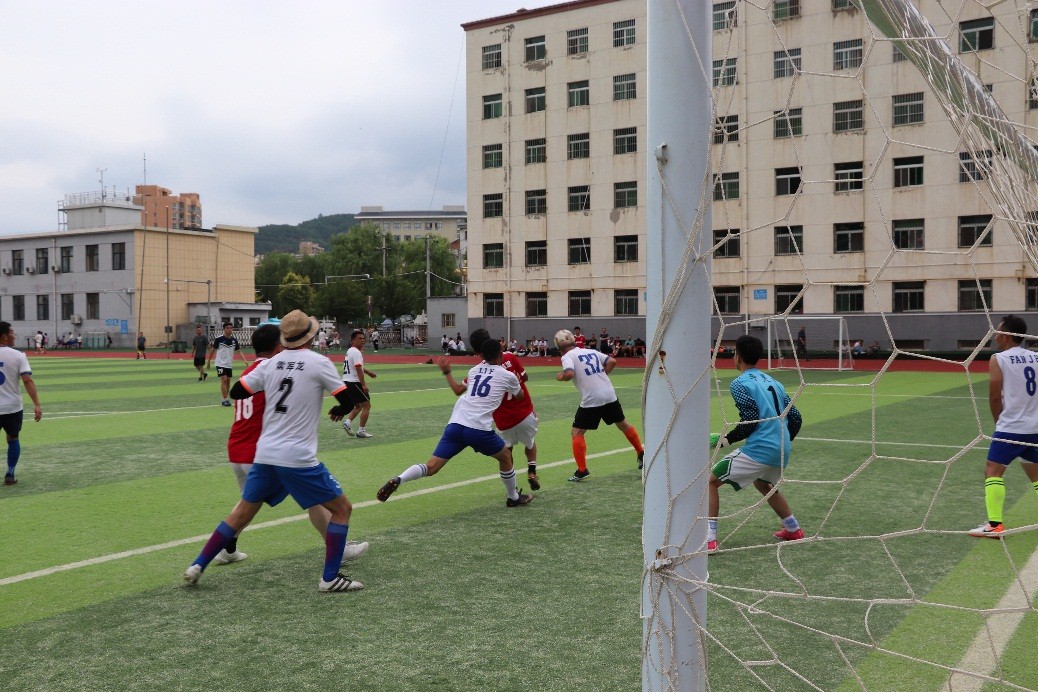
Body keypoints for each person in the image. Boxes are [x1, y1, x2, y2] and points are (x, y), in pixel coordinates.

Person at [184, 310, 368, 592]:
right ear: (310, 335)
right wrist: (338, 409)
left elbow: (237, 392)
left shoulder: (269, 365)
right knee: (342, 508)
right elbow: (348, 398)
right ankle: (330, 578)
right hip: (297, 456)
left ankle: (197, 564)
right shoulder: (318, 362)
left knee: (241, 513)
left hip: (265, 452)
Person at [216, 323, 370, 566]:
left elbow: (239, 395)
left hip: (238, 448)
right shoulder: (274, 369)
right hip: (266, 451)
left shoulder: (250, 371)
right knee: (316, 495)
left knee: (247, 504)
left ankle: (225, 548)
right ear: (278, 346)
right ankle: (337, 549)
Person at [375, 338, 533, 508]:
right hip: (478, 429)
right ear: (501, 354)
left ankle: (400, 478)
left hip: (456, 425)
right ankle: (513, 497)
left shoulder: (473, 371)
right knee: (506, 457)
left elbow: (460, 390)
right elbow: (520, 396)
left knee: (432, 466)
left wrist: (447, 372)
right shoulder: (507, 375)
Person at [707, 335, 805, 553]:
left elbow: (750, 418)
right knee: (763, 484)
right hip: (782, 449)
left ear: (737, 357)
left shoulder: (740, 383)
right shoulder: (774, 382)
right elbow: (796, 417)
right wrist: (782, 441)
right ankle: (793, 528)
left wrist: (726, 440)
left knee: (710, 482)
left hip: (761, 448)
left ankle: (709, 539)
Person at [968, 315, 1038, 538]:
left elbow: (994, 395)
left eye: (998, 332)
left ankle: (995, 525)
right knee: (1036, 475)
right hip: (1035, 427)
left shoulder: (999, 358)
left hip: (1011, 427)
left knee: (993, 470)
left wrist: (999, 421)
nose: (996, 336)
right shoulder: (1037, 357)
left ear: (1006, 336)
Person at [554, 328, 644, 479]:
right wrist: (601, 374)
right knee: (623, 424)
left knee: (577, 432)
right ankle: (641, 453)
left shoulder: (568, 356)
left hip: (592, 398)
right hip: (609, 394)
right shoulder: (590, 351)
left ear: (558, 346)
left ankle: (582, 470)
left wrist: (560, 376)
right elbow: (612, 361)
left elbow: (569, 374)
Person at [470, 328, 541, 489]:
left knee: (506, 453)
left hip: (503, 419)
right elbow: (525, 377)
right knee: (530, 443)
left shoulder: (479, 370)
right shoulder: (509, 357)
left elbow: (464, 389)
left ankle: (512, 486)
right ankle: (531, 471)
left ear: (477, 350)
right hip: (524, 412)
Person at [0, 322, 43, 485]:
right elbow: (27, 380)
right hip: (12, 407)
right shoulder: (18, 355)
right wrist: (37, 404)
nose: (14, 335)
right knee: (13, 438)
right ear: (4, 336)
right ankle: (10, 474)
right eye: (12, 332)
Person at [341, 329, 378, 439]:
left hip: (346, 381)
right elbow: (358, 369)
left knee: (358, 406)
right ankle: (361, 431)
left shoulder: (350, 351)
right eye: (359, 338)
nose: (362, 340)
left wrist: (368, 372)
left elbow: (357, 366)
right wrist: (363, 385)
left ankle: (347, 423)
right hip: (354, 383)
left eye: (363, 338)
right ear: (353, 340)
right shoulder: (356, 352)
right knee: (367, 406)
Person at [208, 322, 250, 406]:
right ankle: (224, 399)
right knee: (224, 379)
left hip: (229, 364)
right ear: (224, 329)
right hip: (220, 363)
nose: (230, 329)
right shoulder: (219, 339)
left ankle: (225, 398)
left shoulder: (234, 340)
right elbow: (213, 350)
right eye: (228, 328)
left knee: (228, 381)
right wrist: (208, 361)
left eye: (231, 328)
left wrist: (245, 361)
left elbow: (238, 351)